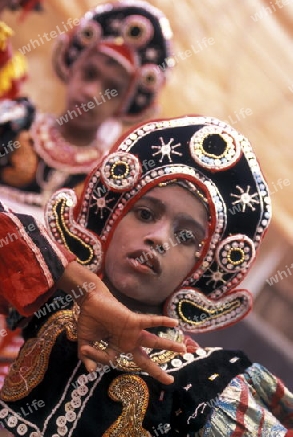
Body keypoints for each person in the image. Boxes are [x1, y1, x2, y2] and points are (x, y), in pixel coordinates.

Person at [1, 115, 292, 436]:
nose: (158, 238)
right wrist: (83, 287)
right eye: (145, 214)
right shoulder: (50, 296)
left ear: (201, 269)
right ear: (111, 220)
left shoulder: (205, 383)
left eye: (186, 236)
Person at [0, 0, 173, 213]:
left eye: (113, 90)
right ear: (72, 67)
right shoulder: (13, 124)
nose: (92, 93)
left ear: (126, 105)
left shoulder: (108, 182)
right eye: (89, 74)